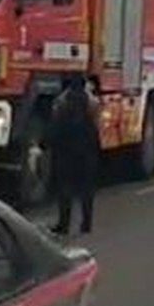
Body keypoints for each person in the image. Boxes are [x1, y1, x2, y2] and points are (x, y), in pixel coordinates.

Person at [46, 76, 100, 236]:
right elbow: (95, 127)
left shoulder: (61, 102)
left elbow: (55, 127)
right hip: (87, 150)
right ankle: (86, 224)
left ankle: (64, 224)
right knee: (87, 189)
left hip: (66, 150)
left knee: (65, 188)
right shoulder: (92, 102)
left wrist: (45, 144)